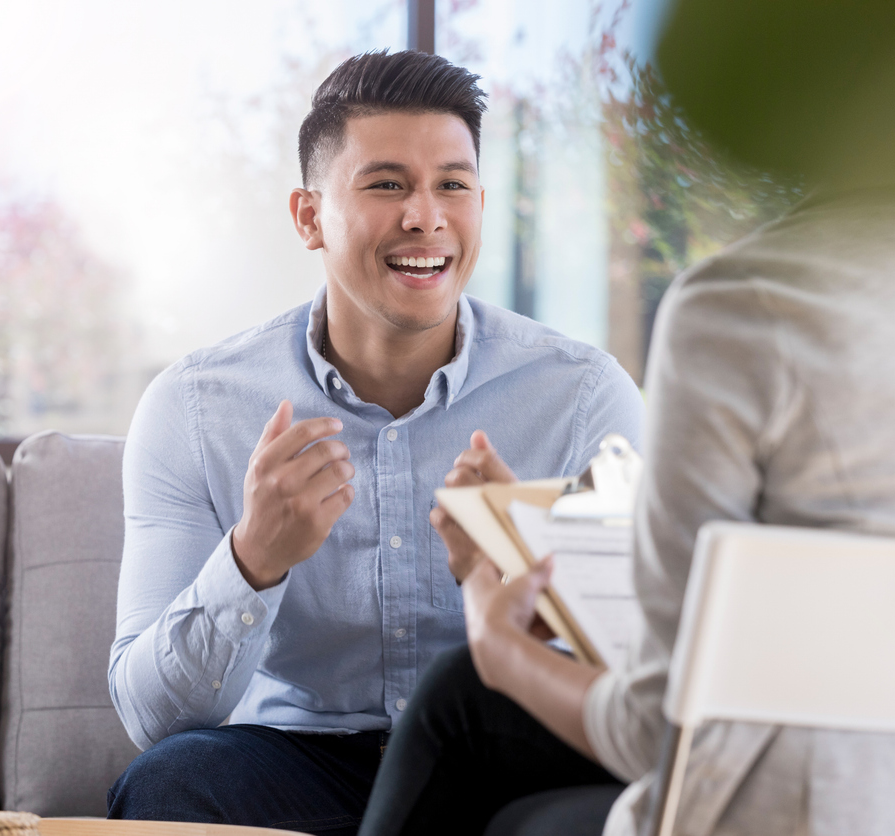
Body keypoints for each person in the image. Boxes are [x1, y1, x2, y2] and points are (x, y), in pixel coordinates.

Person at [358, 2, 895, 835]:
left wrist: (497, 634)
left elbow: (661, 727)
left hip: (786, 808)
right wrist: (544, 545)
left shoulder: (745, 307)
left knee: (462, 703)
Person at [105, 50, 642, 832]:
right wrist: (254, 559)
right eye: (386, 184)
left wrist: (520, 580)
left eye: (452, 186)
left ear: (481, 205)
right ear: (309, 216)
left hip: (498, 757)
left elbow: (643, 681)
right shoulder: (193, 408)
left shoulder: (584, 397)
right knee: (171, 783)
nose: (425, 216)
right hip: (297, 759)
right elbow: (150, 715)